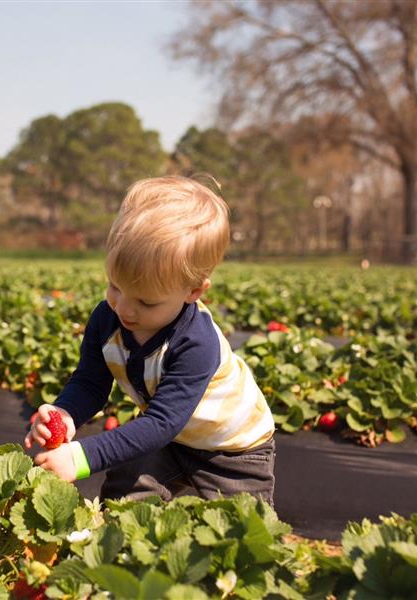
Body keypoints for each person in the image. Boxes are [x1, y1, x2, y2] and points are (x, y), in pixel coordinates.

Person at [24, 175, 276, 504]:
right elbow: (89, 383)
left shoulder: (196, 344)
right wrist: (66, 413)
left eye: (146, 301)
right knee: (125, 489)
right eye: (115, 286)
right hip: (171, 439)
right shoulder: (106, 318)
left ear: (194, 291)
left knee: (245, 533)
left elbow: (162, 422)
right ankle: (121, 546)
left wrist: (80, 458)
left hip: (233, 449)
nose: (123, 308)